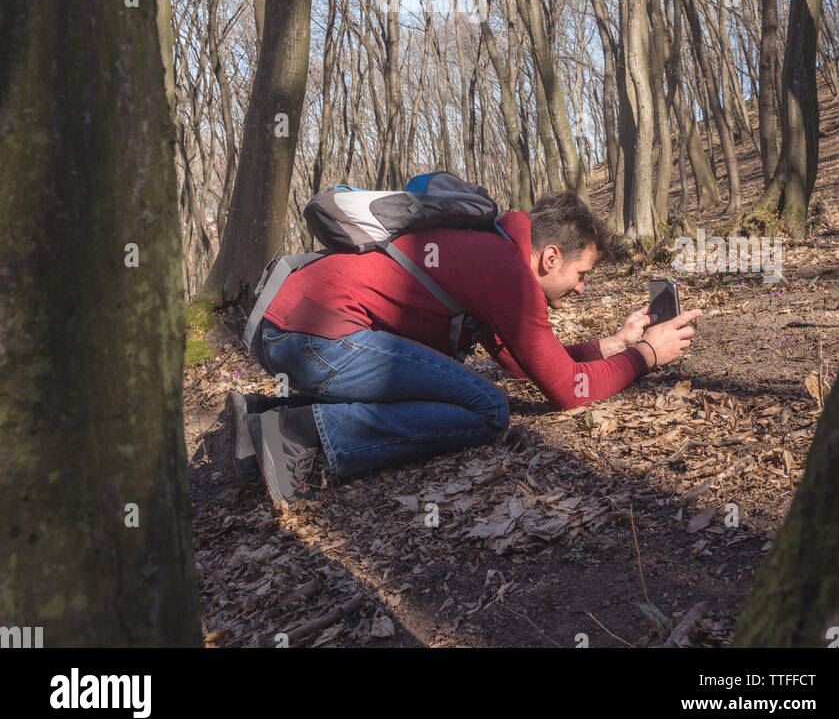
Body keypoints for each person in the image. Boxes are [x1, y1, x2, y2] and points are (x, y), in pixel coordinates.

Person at [224, 189, 701, 507]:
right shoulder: (507, 275)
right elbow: (567, 392)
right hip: (312, 338)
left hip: (285, 327)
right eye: (581, 276)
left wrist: (612, 345)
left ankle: (260, 417)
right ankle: (295, 434)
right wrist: (647, 356)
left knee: (467, 390)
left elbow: (522, 364)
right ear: (550, 256)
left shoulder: (491, 248)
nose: (580, 289)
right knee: (488, 409)